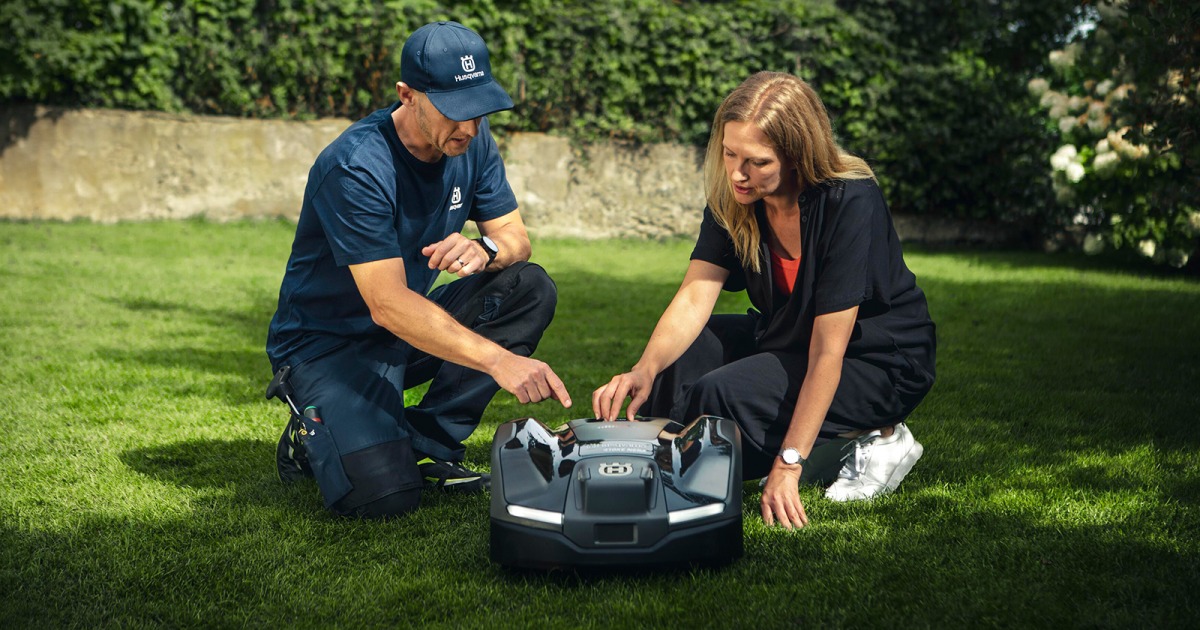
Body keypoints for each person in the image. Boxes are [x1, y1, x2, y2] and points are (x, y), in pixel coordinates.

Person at [592, 72, 936, 530]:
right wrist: (644, 369)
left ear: (796, 157)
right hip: (789, 337)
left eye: (756, 162)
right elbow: (695, 295)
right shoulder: (735, 196)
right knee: (681, 360)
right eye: (729, 153)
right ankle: (652, 466)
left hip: (876, 360)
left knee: (721, 395)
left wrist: (789, 465)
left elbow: (828, 350)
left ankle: (876, 433)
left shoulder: (850, 200)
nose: (737, 173)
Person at [265, 21, 572, 519]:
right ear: (407, 95)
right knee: (384, 497)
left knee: (528, 286)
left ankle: (428, 441)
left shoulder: (473, 141)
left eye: (479, 109)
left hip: (402, 327)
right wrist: (499, 361)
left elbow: (516, 239)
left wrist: (486, 248)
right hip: (325, 346)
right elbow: (386, 304)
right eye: (454, 110)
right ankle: (312, 435)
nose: (469, 127)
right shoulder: (357, 166)